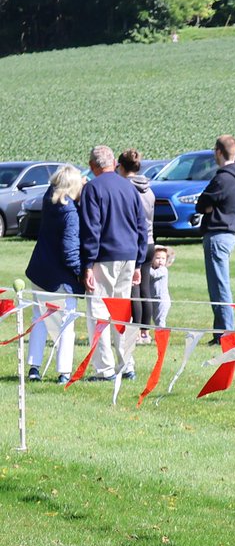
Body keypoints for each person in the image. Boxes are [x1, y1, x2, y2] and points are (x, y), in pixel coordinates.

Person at [78, 144, 148, 381]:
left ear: (92, 166)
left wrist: (87, 264)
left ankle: (105, 369)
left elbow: (91, 229)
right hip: (128, 256)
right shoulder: (129, 188)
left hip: (103, 257)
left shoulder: (92, 188)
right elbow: (141, 227)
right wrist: (138, 262)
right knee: (122, 312)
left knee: (98, 311)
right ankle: (127, 365)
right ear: (113, 163)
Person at [24, 165, 84, 384]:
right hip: (60, 277)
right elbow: (69, 252)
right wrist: (80, 273)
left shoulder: (49, 200)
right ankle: (64, 371)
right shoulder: (70, 213)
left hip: (40, 271)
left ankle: (34, 367)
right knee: (66, 324)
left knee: (39, 319)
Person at [196, 135, 235, 343]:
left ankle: (225, 334)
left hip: (217, 234)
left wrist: (208, 206)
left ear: (218, 152)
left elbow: (202, 203)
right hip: (230, 232)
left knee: (219, 286)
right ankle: (222, 332)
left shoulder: (223, 178)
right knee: (220, 285)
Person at [117, 149, 156, 344]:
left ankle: (136, 332)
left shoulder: (125, 189)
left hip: (134, 242)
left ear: (121, 166)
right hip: (150, 241)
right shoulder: (149, 189)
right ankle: (145, 332)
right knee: (145, 289)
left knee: (133, 289)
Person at [149, 245, 174, 329]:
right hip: (153, 298)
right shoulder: (153, 269)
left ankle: (162, 337)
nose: (160, 261)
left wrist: (146, 266)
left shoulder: (163, 270)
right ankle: (159, 335)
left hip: (162, 299)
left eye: (163, 258)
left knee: (160, 320)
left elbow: (154, 274)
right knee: (155, 319)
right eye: (157, 258)